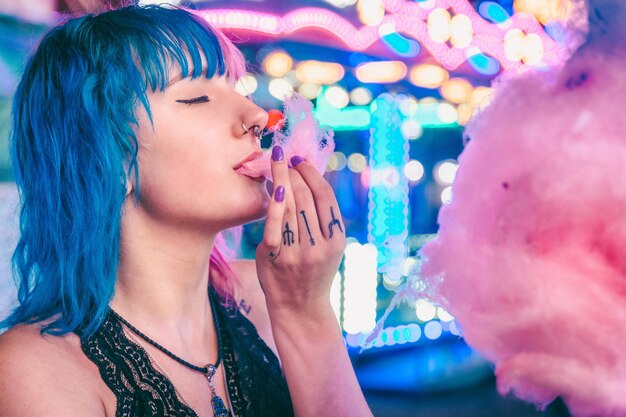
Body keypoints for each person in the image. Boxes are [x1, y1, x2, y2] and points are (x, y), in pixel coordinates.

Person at [0, 4, 373, 417]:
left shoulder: (274, 294)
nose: (255, 116)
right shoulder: (34, 372)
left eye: (237, 87)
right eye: (197, 97)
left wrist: (307, 316)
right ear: (109, 158)